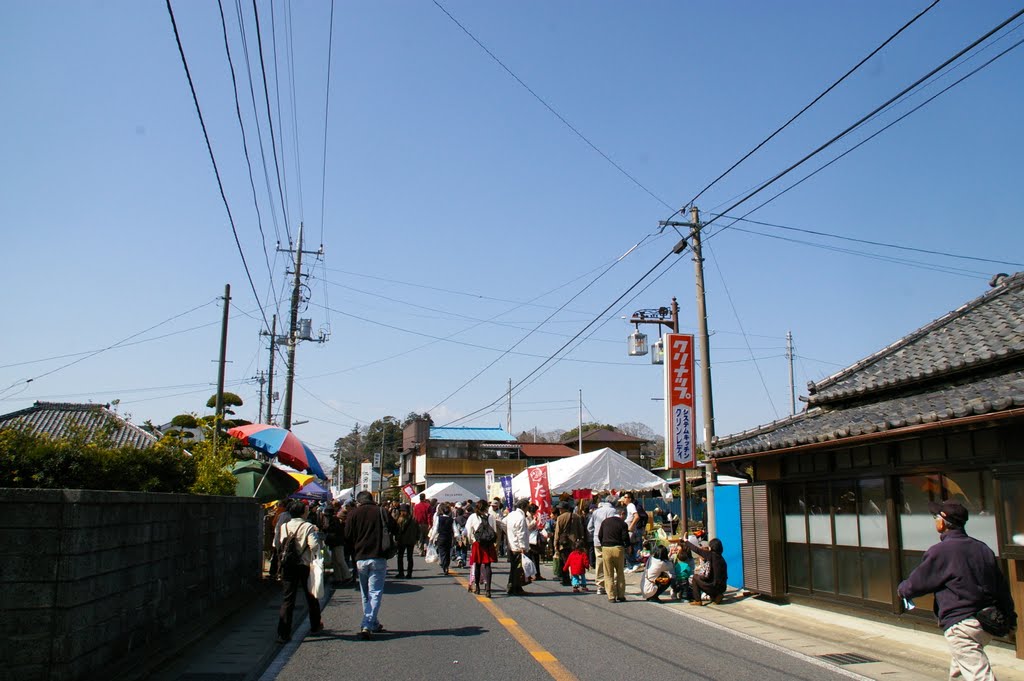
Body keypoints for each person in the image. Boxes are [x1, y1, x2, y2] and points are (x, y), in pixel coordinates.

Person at [898, 501, 1016, 681]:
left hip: (961, 625)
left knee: (979, 675)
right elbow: (1001, 588)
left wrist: (902, 590)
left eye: (936, 517)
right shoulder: (982, 548)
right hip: (987, 623)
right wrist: (1011, 617)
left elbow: (917, 583)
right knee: (959, 670)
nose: (934, 521)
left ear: (943, 522)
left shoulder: (941, 551)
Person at [344, 490, 400, 640]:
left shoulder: (353, 514)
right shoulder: (381, 511)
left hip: (360, 557)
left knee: (365, 592)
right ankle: (368, 623)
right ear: (372, 499)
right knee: (375, 592)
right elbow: (396, 528)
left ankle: (371, 622)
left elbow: (347, 536)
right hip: (378, 556)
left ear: (359, 501)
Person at [275, 501, 324, 643]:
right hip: (303, 564)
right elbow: (314, 546)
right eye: (306, 509)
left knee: (288, 599)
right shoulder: (307, 526)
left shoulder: (284, 525)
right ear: (303, 512)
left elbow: (279, 543)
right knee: (311, 595)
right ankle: (315, 625)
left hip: (288, 565)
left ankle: (283, 633)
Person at [466, 500, 498, 597]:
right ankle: (488, 589)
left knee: (478, 565)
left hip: (477, 543)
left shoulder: (473, 516)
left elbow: (468, 530)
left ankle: (478, 588)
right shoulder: (491, 517)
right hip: (488, 543)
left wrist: (470, 540)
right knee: (488, 565)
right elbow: (494, 530)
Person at [598, 507, 630, 603]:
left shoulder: (605, 522)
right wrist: (627, 546)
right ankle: (620, 595)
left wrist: (604, 544)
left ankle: (611, 596)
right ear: (622, 514)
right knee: (620, 572)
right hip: (618, 548)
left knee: (608, 573)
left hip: (606, 548)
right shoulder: (622, 524)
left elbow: (600, 535)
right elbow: (625, 537)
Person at [587, 495, 617, 596]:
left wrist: (595, 534)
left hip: (597, 540)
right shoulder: (613, 511)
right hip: (610, 540)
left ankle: (600, 586)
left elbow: (589, 527)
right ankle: (611, 585)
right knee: (611, 562)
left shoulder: (596, 511)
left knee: (599, 562)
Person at [554, 501, 587, 587]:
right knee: (575, 561)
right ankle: (575, 577)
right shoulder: (577, 517)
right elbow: (581, 530)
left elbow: (557, 532)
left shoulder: (560, 518)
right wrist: (581, 540)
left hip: (564, 543)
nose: (559, 510)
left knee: (564, 561)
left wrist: (555, 544)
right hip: (575, 543)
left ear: (563, 509)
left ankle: (566, 579)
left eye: (560, 508)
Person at [688, 537, 727, 606]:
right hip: (722, 587)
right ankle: (716, 596)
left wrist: (686, 541)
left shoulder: (711, 555)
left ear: (711, 547)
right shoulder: (722, 560)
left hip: (712, 586)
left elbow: (697, 550)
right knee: (709, 582)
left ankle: (698, 600)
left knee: (695, 577)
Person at [503, 499, 530, 595]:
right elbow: (521, 533)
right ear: (524, 507)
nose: (528, 509)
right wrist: (522, 547)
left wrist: (509, 534)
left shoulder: (511, 514)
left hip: (511, 544)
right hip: (518, 547)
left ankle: (512, 586)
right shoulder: (521, 517)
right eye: (527, 507)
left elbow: (502, 523)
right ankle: (516, 588)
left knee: (514, 568)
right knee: (518, 569)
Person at [394, 503, 419, 579]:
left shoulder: (400, 519)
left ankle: (402, 573)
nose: (402, 512)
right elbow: (418, 530)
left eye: (402, 510)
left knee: (401, 557)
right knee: (409, 557)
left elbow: (397, 530)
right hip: (410, 541)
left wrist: (396, 537)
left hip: (402, 540)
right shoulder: (413, 519)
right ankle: (408, 573)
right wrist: (416, 538)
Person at [430, 503, 455, 575]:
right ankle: (446, 565)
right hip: (449, 537)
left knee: (442, 552)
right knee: (448, 552)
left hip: (441, 537)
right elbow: (455, 530)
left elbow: (435, 528)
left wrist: (432, 538)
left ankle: (444, 566)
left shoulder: (439, 518)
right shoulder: (451, 520)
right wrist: (458, 537)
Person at [526, 503, 545, 581]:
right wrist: (534, 521)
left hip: (533, 539)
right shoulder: (526, 517)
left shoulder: (531, 516)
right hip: (529, 539)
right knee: (530, 558)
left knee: (535, 557)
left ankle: (537, 574)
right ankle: (530, 575)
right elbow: (528, 527)